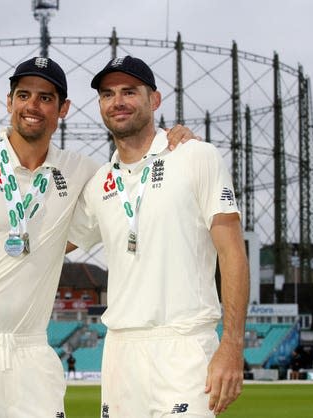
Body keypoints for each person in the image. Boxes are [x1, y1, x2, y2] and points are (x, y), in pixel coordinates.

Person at [0, 56, 197, 418]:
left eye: (45, 98)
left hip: (31, 351)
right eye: (24, 95)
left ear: (64, 109)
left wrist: (175, 142)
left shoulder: (82, 173)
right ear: (9, 102)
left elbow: (129, 178)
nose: (33, 105)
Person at [68, 56, 250, 417]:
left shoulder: (196, 156)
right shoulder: (100, 181)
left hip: (183, 345)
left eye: (129, 91)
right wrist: (1, 156)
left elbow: (232, 253)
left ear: (155, 100)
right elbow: (45, 246)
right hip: (121, 351)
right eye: (107, 94)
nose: (117, 101)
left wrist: (232, 344)